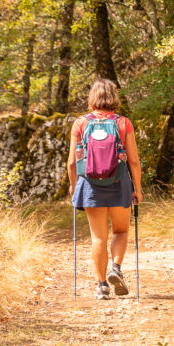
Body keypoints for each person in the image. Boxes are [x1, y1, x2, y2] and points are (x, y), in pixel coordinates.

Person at [68, 78, 143, 300]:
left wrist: (74, 187)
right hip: (119, 183)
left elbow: (72, 162)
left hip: (90, 185)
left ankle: (102, 286)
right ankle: (116, 269)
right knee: (121, 231)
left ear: (92, 98)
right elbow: (134, 161)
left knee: (98, 237)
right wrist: (137, 188)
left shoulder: (80, 123)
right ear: (114, 97)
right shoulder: (123, 123)